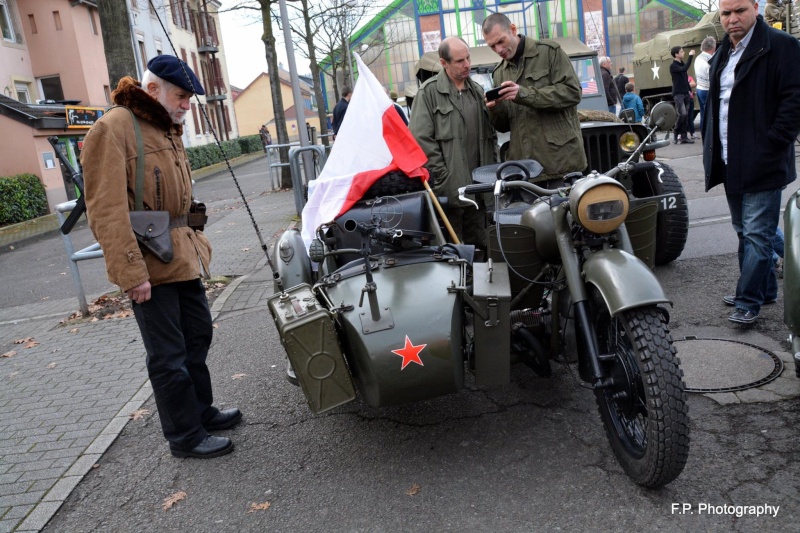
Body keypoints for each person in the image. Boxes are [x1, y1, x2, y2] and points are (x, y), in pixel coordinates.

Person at [81, 55, 241, 458]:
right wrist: (131, 274)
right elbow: (105, 208)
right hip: (148, 262)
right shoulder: (114, 126)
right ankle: (185, 436)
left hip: (181, 255)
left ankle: (201, 413)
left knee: (197, 338)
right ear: (153, 89)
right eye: (181, 96)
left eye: (188, 98)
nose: (187, 105)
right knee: (168, 356)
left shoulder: (166, 127)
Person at [703, 0, 800, 324]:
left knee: (758, 234)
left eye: (740, 10)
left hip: (764, 161)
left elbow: (794, 101)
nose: (732, 19)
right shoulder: (723, 52)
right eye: (726, 13)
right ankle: (766, 289)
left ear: (756, 7)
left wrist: (772, 144)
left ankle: (748, 301)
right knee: (745, 230)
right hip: (731, 161)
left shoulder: (781, 46)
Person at [409, 36, 496, 248]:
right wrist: (443, 179)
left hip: (479, 190)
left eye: (468, 58)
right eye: (459, 61)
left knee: (482, 248)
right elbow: (421, 140)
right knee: (454, 252)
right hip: (450, 191)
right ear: (443, 63)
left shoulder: (476, 91)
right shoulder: (429, 93)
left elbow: (489, 136)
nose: (467, 64)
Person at [481, 13, 587, 183]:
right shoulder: (499, 72)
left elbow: (572, 92)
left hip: (560, 165)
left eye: (501, 41)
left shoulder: (549, 53)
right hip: (525, 169)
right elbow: (504, 126)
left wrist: (524, 94)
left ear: (513, 30)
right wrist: (495, 108)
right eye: (492, 46)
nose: (498, 50)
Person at [670, 45, 695, 144]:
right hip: (678, 93)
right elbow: (684, 69)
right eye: (681, 51)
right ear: (676, 54)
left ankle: (684, 137)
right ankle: (676, 133)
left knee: (686, 115)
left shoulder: (681, 63)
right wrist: (690, 56)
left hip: (686, 93)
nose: (683, 53)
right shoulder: (673, 66)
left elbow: (685, 78)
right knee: (682, 114)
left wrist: (689, 90)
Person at [694, 36, 716, 136]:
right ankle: (709, 135)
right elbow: (713, 76)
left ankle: (704, 135)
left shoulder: (698, 58)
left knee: (703, 114)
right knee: (711, 115)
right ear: (713, 47)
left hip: (699, 88)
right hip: (707, 89)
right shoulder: (710, 60)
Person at [687, 75, 697, 139]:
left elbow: (693, 84)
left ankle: (692, 133)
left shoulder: (688, 77)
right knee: (683, 116)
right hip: (684, 99)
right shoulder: (678, 77)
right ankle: (681, 134)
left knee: (690, 117)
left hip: (690, 98)